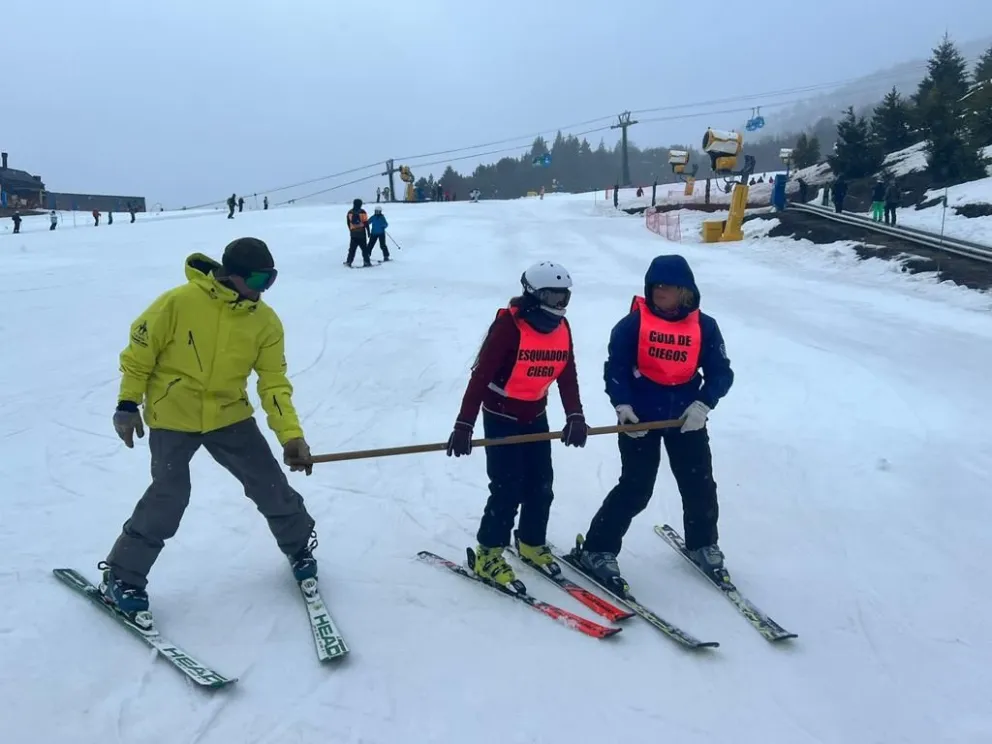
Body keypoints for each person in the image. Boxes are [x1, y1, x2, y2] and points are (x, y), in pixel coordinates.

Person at [100, 238, 318, 626]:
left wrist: (291, 435)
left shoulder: (264, 322)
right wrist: (127, 403)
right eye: (257, 278)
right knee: (169, 496)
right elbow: (139, 355)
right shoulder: (179, 302)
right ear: (231, 274)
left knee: (269, 483)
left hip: (228, 414)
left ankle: (299, 546)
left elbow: (273, 383)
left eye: (272, 279)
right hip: (173, 415)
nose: (264, 288)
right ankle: (121, 577)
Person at [570, 254, 734, 596]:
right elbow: (615, 369)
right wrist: (623, 406)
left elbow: (721, 372)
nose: (659, 291)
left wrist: (704, 403)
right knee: (636, 487)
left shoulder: (705, 326)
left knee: (699, 484)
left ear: (685, 291)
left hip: (686, 419)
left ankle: (703, 544)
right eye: (655, 285)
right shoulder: (632, 324)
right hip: (640, 419)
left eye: (667, 286)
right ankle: (597, 548)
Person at [446, 262, 588, 590]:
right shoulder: (509, 328)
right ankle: (488, 553)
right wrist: (464, 424)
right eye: (552, 296)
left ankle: (530, 541)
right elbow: (480, 376)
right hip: (501, 416)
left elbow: (567, 375)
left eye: (563, 295)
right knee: (507, 487)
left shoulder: (562, 328)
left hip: (536, 414)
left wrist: (575, 415)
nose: (559, 303)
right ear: (534, 294)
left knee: (541, 484)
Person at [345, 198, 371, 267]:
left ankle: (349, 262)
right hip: (362, 233)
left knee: (352, 249)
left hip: (353, 234)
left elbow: (348, 222)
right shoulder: (362, 212)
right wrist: (368, 231)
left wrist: (351, 230)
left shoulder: (350, 212)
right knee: (364, 249)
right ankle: (366, 262)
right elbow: (366, 222)